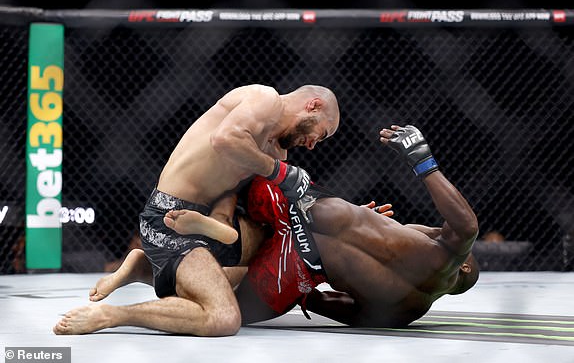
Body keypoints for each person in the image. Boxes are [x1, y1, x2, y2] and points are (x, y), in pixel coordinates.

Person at [53, 124, 479, 333]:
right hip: (299, 263)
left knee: (246, 179)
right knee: (235, 306)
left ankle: (165, 255)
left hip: (298, 210)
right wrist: (310, 287)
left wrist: (421, 158)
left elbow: (465, 224)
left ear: (461, 270)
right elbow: (342, 309)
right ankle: (153, 272)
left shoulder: (448, 250)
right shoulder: (410, 310)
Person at [53, 84, 340, 336]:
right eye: (321, 133)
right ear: (312, 106)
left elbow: (282, 205)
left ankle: (145, 269)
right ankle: (112, 316)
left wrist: (349, 213)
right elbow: (226, 139)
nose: (314, 145)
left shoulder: (278, 152)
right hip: (170, 220)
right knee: (224, 318)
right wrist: (278, 171)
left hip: (206, 222)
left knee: (277, 242)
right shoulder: (265, 99)